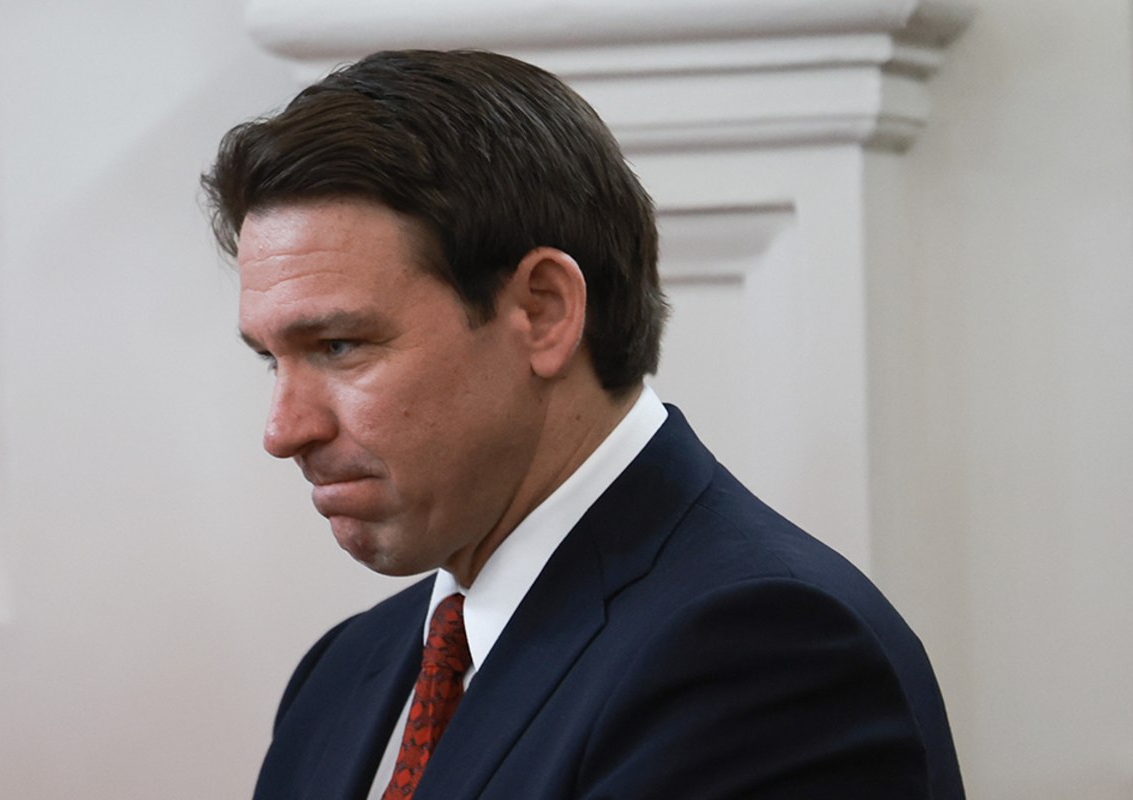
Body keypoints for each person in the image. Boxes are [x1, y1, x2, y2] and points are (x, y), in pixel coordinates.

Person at [203, 49, 963, 799]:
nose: (283, 431)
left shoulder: (766, 654)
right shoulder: (340, 675)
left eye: (338, 345)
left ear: (543, 312)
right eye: (272, 360)